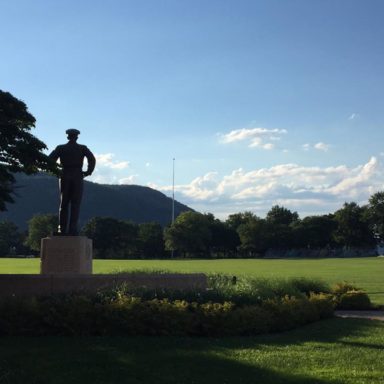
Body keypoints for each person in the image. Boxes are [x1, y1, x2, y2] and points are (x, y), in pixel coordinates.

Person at [49, 129, 96, 235]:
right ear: (77, 137)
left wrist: (56, 171)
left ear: (68, 137)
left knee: (64, 204)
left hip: (64, 174)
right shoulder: (82, 148)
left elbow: (50, 160)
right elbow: (92, 159)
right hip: (77, 175)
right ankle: (72, 229)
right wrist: (88, 171)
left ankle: (62, 229)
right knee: (75, 204)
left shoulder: (60, 148)